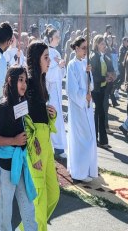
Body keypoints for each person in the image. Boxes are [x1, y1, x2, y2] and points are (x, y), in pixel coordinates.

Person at [0, 66, 57, 231]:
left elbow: (26, 131)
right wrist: (13, 142)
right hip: (6, 168)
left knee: (30, 216)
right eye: (20, 80)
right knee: (5, 216)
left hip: (22, 167)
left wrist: (33, 148)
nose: (23, 84)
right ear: (9, 80)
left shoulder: (22, 104)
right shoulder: (4, 107)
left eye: (25, 81)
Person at [25, 41, 60, 231]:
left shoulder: (42, 81)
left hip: (46, 143)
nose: (50, 61)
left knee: (54, 193)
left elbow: (42, 116)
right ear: (37, 59)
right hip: (36, 147)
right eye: (46, 57)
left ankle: (24, 229)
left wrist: (52, 115)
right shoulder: (28, 83)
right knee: (40, 202)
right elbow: (23, 118)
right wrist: (31, 144)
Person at [66, 37, 98, 182]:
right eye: (83, 47)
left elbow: (90, 85)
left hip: (87, 106)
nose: (86, 51)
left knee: (91, 137)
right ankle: (79, 172)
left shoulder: (86, 63)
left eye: (87, 48)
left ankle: (88, 169)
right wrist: (82, 97)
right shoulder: (71, 65)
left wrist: (88, 73)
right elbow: (71, 90)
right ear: (77, 48)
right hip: (78, 107)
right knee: (81, 138)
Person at [44, 28, 68, 157]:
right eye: (56, 37)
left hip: (57, 90)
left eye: (59, 36)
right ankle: (57, 148)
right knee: (54, 118)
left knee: (57, 119)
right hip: (50, 91)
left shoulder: (57, 52)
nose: (59, 39)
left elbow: (61, 74)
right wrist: (58, 67)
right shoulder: (46, 52)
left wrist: (62, 66)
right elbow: (48, 75)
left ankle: (58, 147)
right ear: (50, 38)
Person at [89, 35, 114, 149]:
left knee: (99, 113)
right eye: (102, 44)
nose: (104, 46)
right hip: (96, 89)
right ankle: (101, 140)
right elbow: (93, 75)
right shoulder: (94, 57)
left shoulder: (104, 56)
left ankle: (97, 139)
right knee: (100, 113)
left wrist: (111, 74)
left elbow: (109, 68)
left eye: (105, 44)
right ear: (96, 45)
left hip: (103, 88)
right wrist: (105, 78)